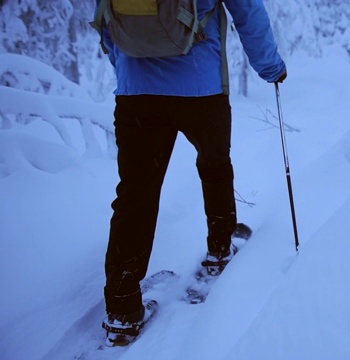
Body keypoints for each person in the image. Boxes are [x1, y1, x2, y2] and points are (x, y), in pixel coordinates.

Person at [95, 0, 287, 334]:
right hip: (201, 87)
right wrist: (270, 67)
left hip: (136, 92)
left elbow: (105, 17)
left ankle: (122, 308)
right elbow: (248, 11)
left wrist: (128, 64)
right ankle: (220, 248)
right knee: (214, 166)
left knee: (135, 194)